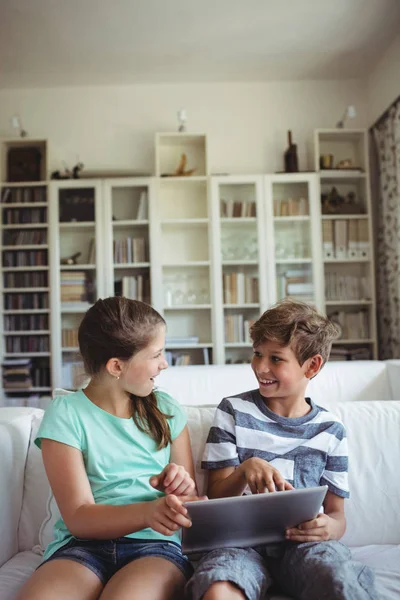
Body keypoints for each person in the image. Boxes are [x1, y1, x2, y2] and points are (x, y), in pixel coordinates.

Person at [186, 299, 378, 600]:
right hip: (238, 546)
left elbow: (337, 516)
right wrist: (245, 470)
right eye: (258, 354)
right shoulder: (233, 411)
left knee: (340, 580)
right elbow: (216, 498)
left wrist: (328, 528)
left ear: (312, 365)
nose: (260, 367)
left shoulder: (331, 430)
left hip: (304, 547)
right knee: (218, 588)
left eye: (276, 358)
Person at [16, 297, 200, 600]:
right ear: (117, 366)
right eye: (156, 354)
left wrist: (181, 489)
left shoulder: (167, 411)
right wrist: (148, 511)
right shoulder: (66, 413)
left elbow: (189, 505)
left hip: (155, 547)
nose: (164, 363)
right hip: (81, 546)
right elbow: (78, 517)